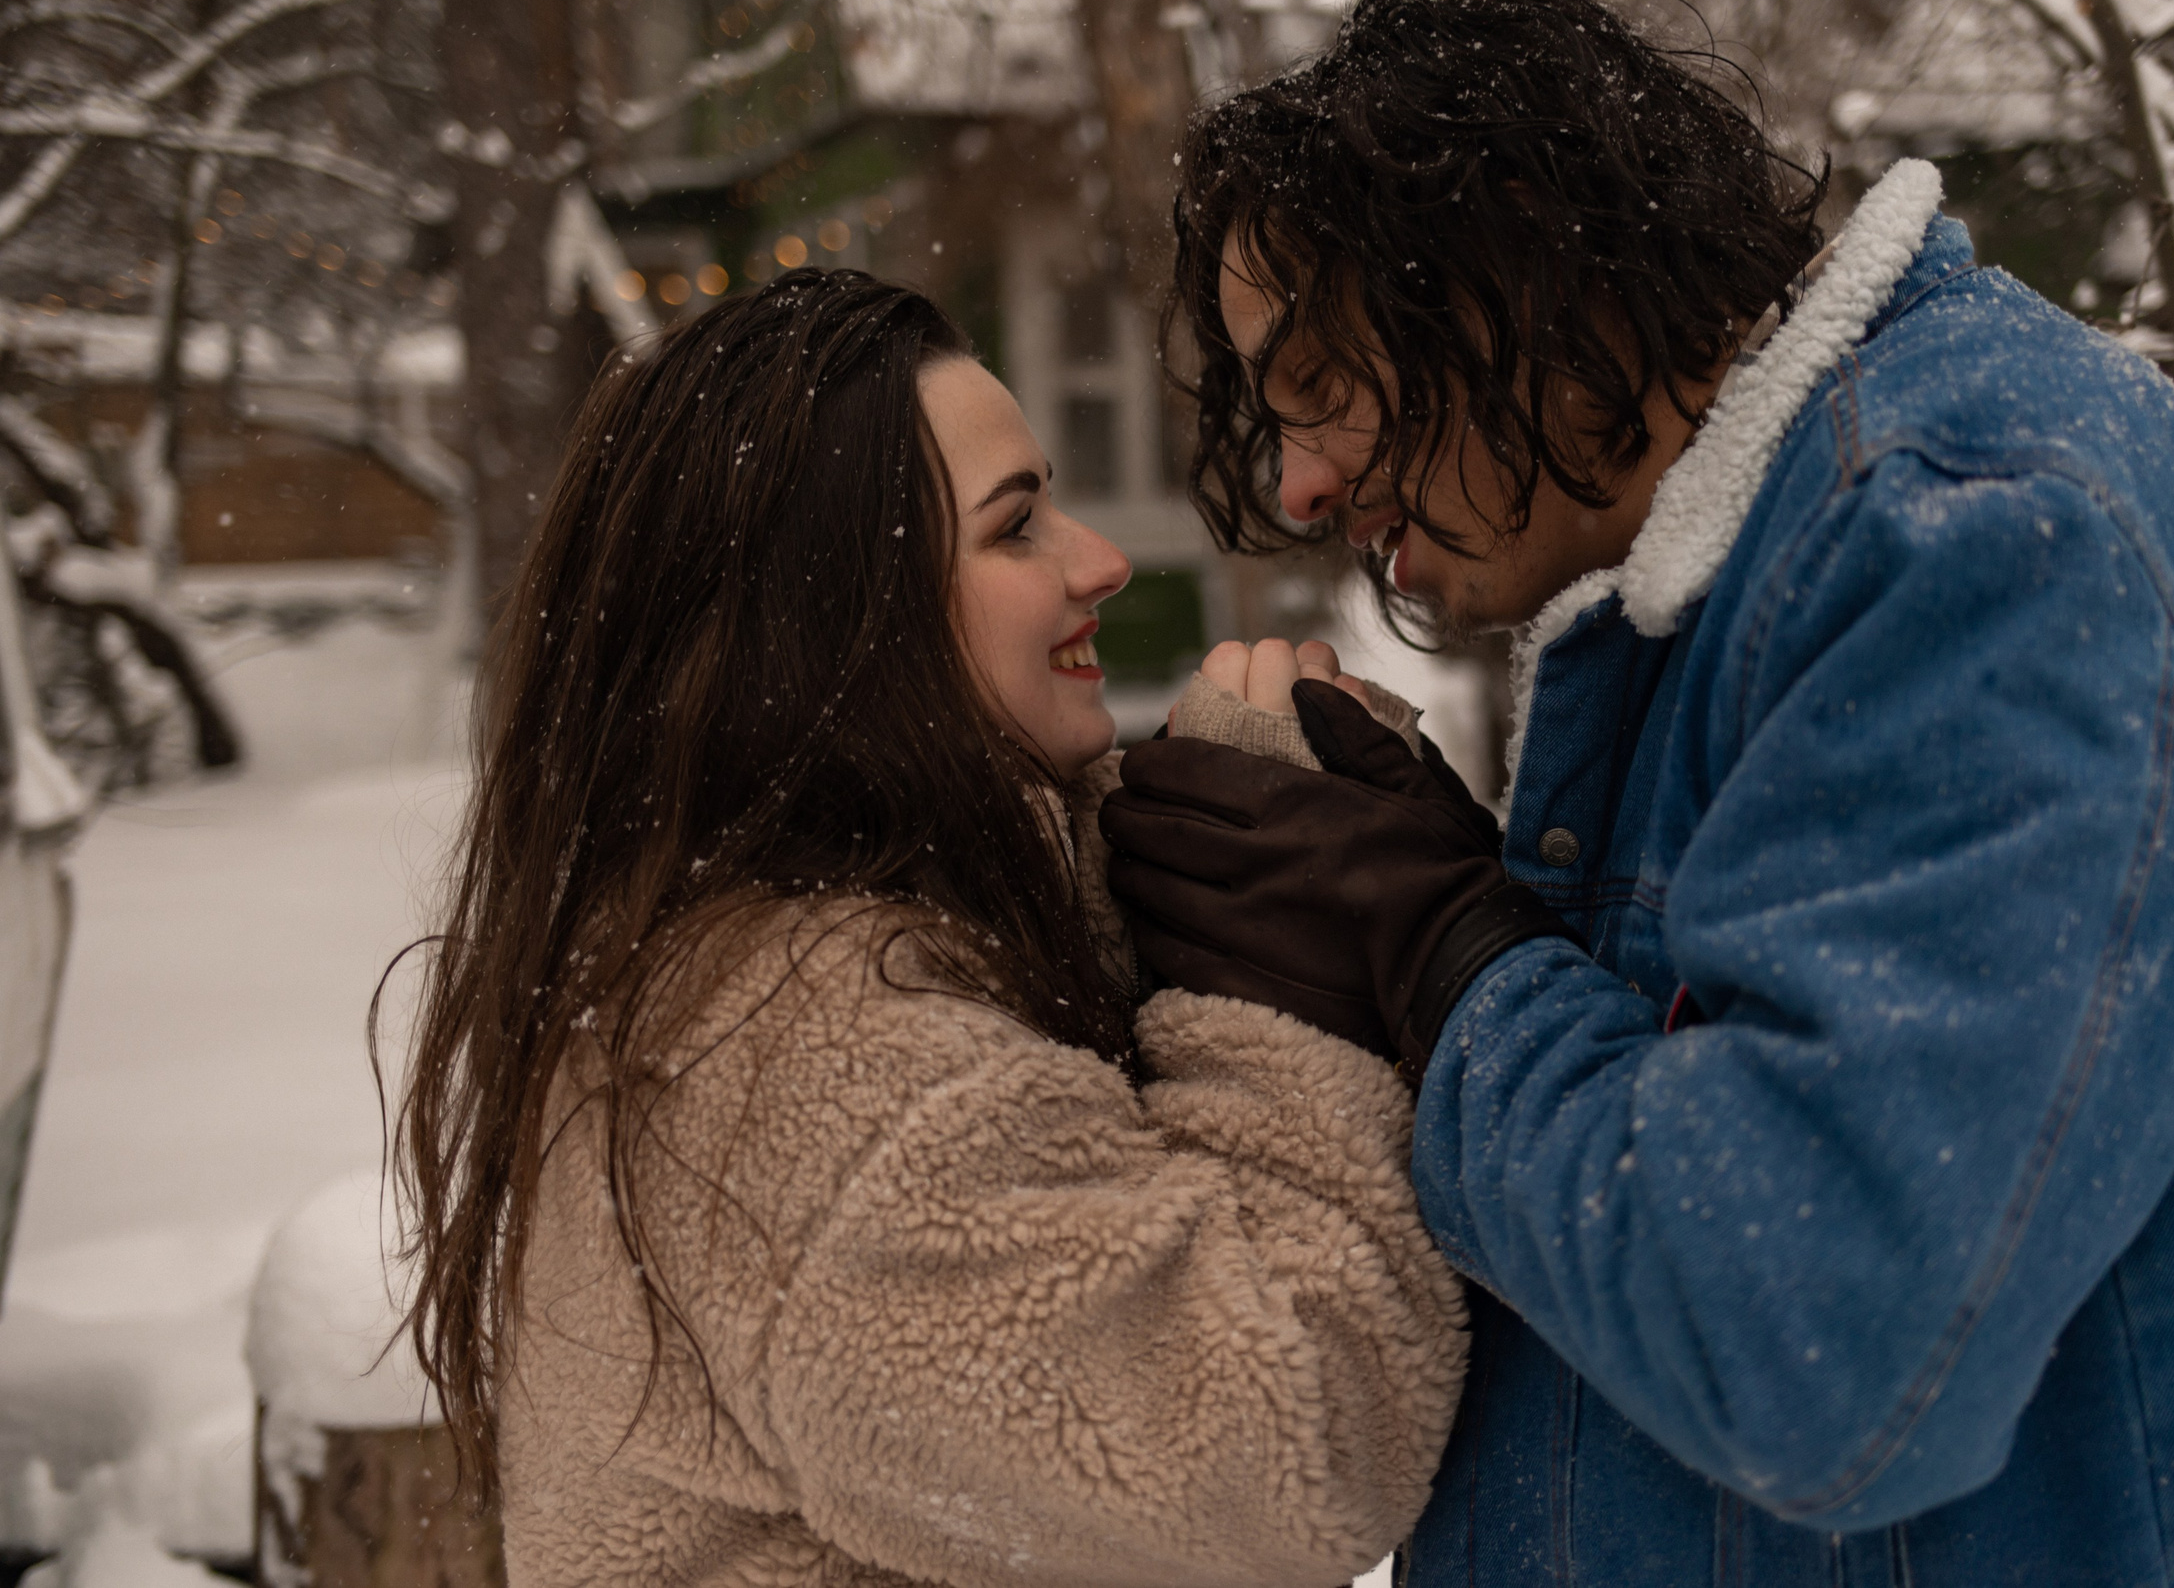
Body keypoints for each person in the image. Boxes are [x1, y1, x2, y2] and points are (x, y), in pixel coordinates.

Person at [1102, 0, 2174, 1586]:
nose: (1301, 482)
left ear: (1521, 258)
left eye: (1323, 383)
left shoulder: (1988, 533)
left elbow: (1824, 1348)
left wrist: (1444, 952)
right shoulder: (1752, 577)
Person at [387, 269, 1468, 1588]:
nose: (1100, 560)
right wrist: (1274, 967)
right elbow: (1289, 1452)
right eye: (1017, 529)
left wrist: (1278, 819)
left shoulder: (831, 949)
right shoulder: (809, 1069)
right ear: (836, 616)